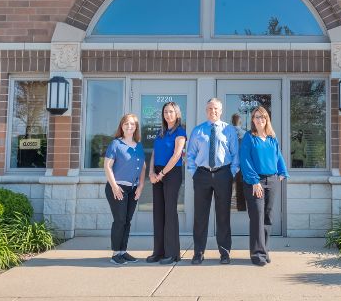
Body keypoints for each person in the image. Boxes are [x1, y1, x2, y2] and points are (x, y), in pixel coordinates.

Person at [186, 98, 240, 265]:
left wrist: (230, 174)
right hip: (202, 175)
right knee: (200, 216)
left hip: (223, 174)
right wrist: (194, 173)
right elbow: (190, 155)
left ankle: (224, 253)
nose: (213, 111)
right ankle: (198, 253)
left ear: (221, 110)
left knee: (223, 215)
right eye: (210, 108)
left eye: (216, 108)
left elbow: (235, 155)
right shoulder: (198, 131)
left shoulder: (229, 130)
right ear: (206, 110)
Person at [239, 106, 288, 266]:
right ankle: (257, 254)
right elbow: (245, 161)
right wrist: (254, 181)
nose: (260, 120)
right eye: (256, 117)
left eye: (263, 117)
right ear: (252, 120)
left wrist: (282, 173)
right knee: (257, 217)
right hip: (255, 182)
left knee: (268, 216)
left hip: (272, 180)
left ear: (267, 119)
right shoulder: (249, 137)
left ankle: (265, 250)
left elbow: (278, 156)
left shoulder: (272, 138)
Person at [103, 113, 146, 265]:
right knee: (120, 220)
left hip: (133, 189)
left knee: (127, 221)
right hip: (118, 187)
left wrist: (141, 186)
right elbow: (107, 166)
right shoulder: (116, 144)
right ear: (122, 126)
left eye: (132, 124)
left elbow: (143, 167)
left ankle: (123, 251)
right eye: (126, 123)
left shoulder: (139, 145)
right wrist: (114, 186)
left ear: (136, 128)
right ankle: (115, 253)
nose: (129, 126)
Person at [147, 102, 186, 264]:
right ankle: (159, 251)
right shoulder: (160, 132)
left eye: (171, 112)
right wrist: (151, 172)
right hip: (157, 172)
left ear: (177, 114)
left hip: (172, 173)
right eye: (165, 112)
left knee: (170, 212)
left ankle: (172, 253)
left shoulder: (180, 132)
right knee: (158, 212)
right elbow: (155, 153)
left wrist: (162, 174)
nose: (168, 114)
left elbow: (177, 155)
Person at [231, 112, 247, 212]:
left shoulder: (226, 132)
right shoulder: (245, 134)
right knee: (240, 191)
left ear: (232, 122)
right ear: (240, 122)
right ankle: (241, 210)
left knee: (226, 191)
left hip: (229, 166)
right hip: (241, 167)